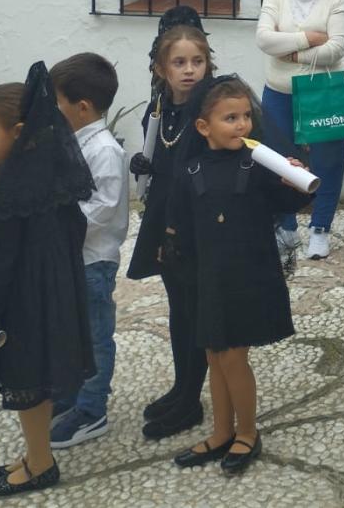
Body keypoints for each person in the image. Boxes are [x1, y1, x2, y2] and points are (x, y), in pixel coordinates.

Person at [166, 76, 308, 475]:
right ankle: (221, 431)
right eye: (230, 118)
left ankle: (247, 432)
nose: (242, 124)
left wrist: (294, 180)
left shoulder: (258, 163)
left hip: (248, 274)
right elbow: (180, 219)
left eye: (246, 116)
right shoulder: (191, 168)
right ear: (203, 127)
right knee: (214, 354)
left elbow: (286, 201)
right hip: (209, 275)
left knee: (232, 356)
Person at [0, 65, 95, 497]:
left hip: (24, 305)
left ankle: (39, 463)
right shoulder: (52, 182)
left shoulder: (13, 194)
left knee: (28, 384)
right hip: (51, 297)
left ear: (19, 131)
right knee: (35, 383)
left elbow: (0, 266)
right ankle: (35, 453)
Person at [126, 22, 213, 440]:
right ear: (162, 69)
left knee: (196, 308)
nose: (189, 70)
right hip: (165, 220)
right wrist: (145, 165)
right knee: (178, 308)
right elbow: (159, 152)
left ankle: (191, 399)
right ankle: (182, 388)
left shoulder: (210, 110)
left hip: (196, 228)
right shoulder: (161, 108)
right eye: (179, 62)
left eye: (197, 61)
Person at [48, 53, 129, 450]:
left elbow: (101, 207)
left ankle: (91, 408)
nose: (52, 110)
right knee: (68, 330)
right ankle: (68, 394)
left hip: (93, 261)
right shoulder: (72, 143)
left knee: (96, 335)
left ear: (81, 107)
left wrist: (56, 220)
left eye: (57, 102)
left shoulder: (105, 151)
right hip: (69, 258)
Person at [257, 0, 344, 261]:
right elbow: (264, 39)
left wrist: (292, 54)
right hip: (279, 93)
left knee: (329, 161)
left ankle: (320, 228)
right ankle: (286, 225)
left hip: (322, 92)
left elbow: (337, 48)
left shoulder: (334, 0)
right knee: (280, 160)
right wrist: (309, 39)